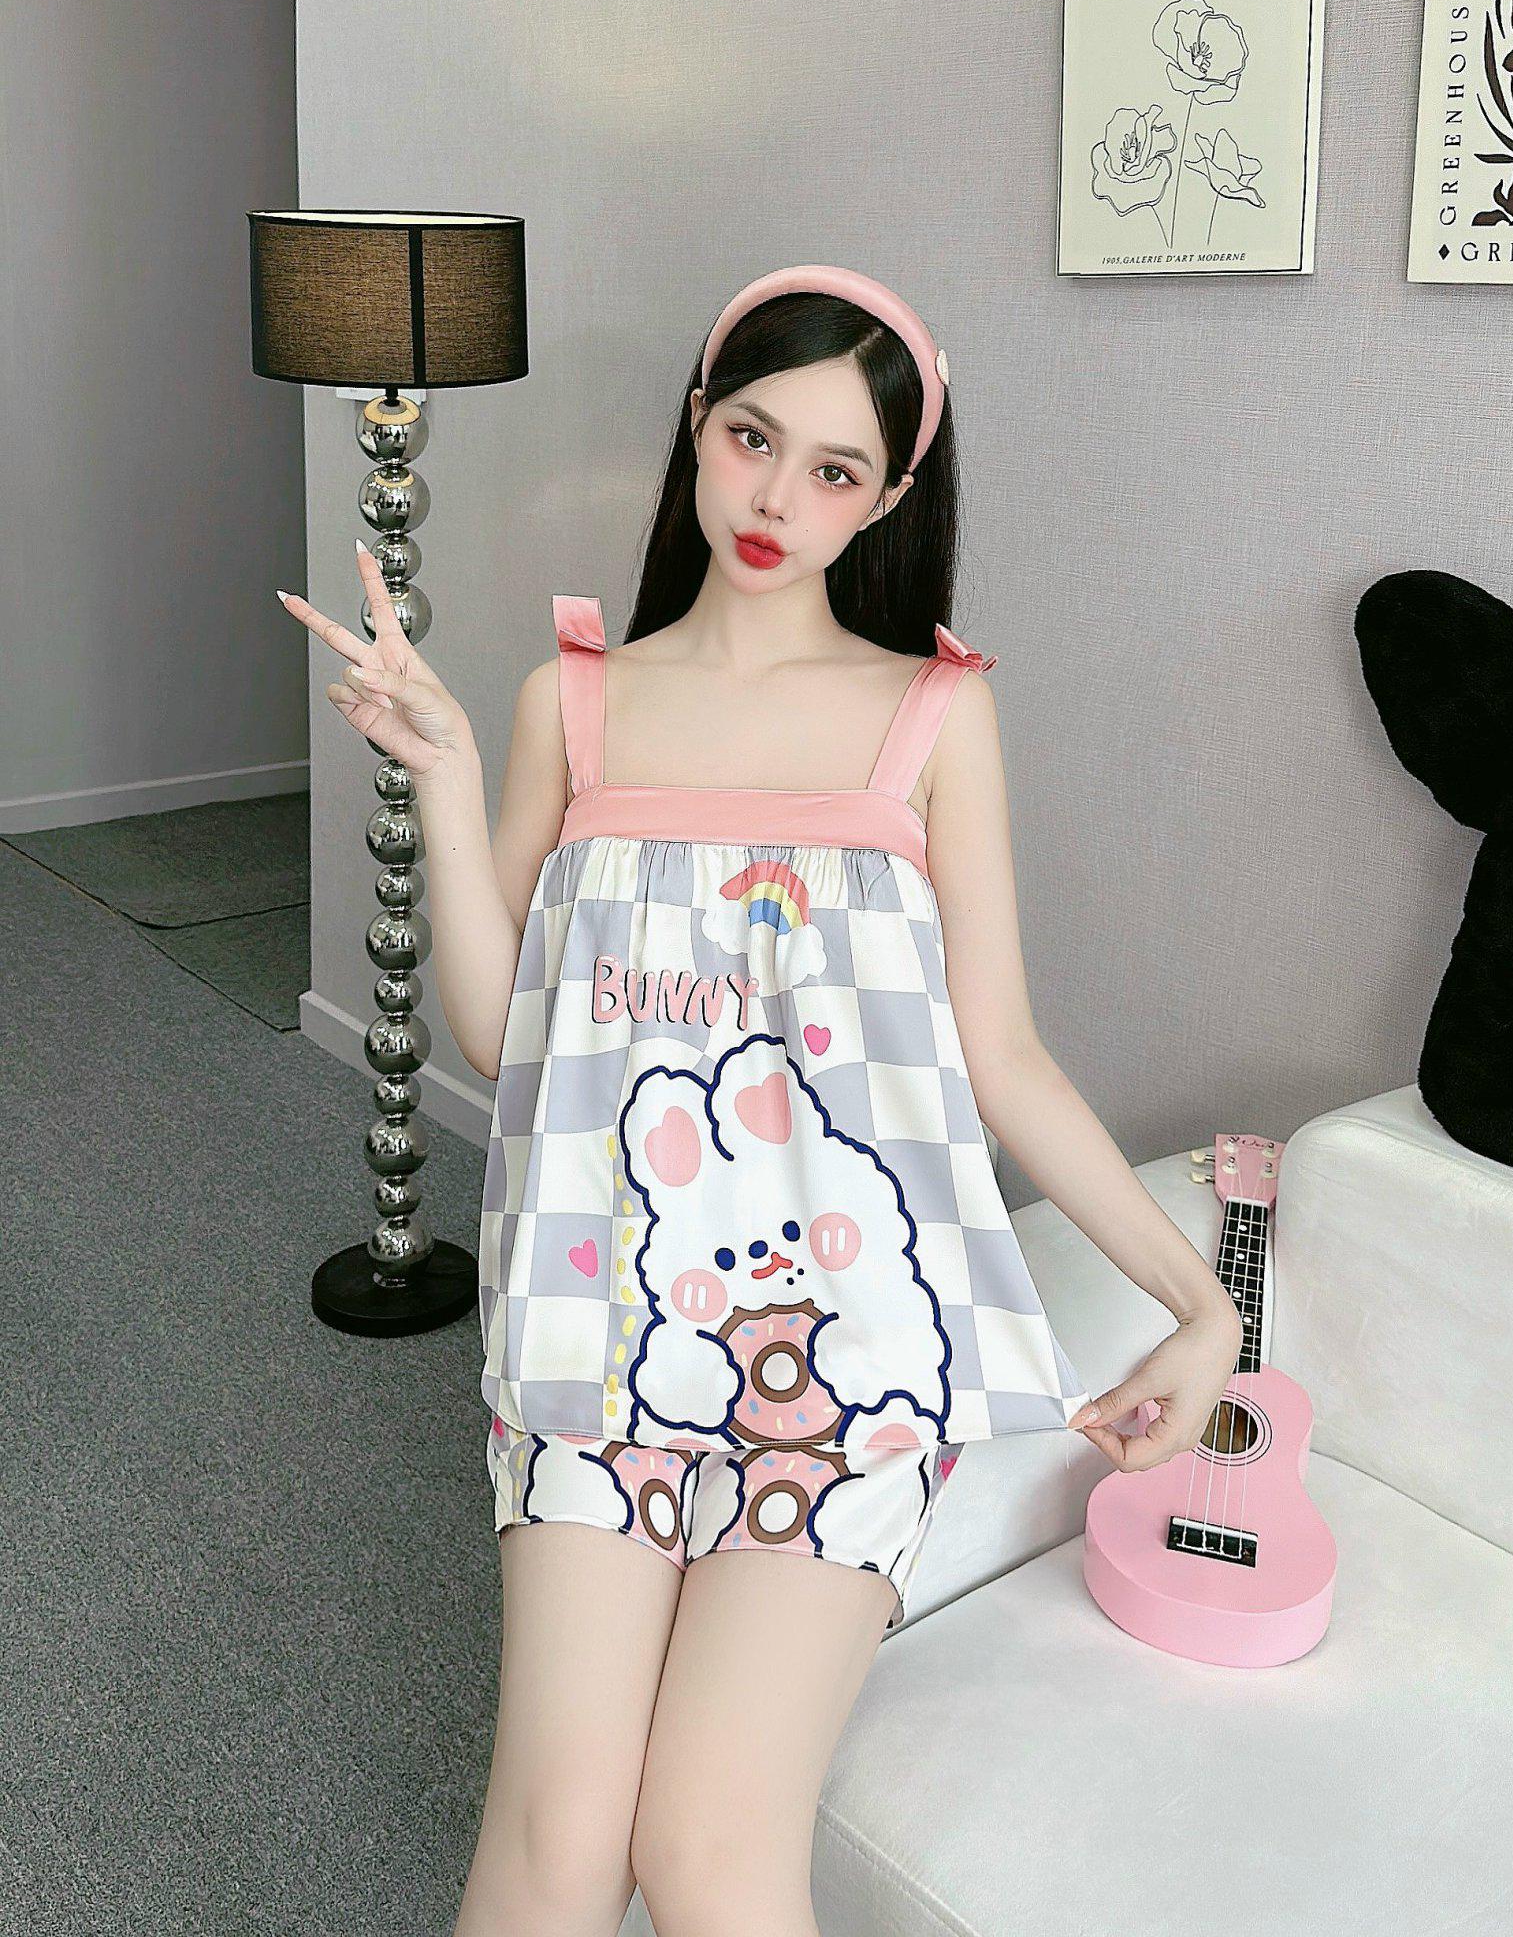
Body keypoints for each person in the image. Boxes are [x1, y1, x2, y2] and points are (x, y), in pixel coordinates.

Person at [279, 263, 1244, 1937]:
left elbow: (1003, 1053)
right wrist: (441, 774)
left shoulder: (935, 715)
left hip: (855, 1366)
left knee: (711, 1849)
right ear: (697, 426)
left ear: (890, 499)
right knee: (558, 1834)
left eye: (835, 468)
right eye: (751, 438)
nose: (778, 498)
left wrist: (1199, 1302)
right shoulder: (572, 699)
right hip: (592, 1334)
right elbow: (502, 1039)